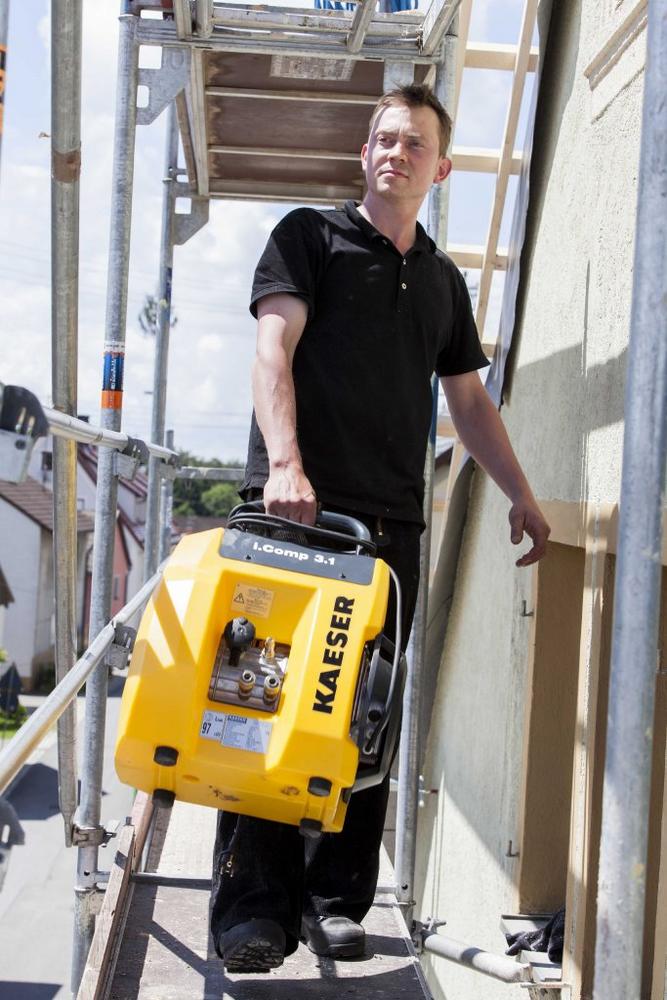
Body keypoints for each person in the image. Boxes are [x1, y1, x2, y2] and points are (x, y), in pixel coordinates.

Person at [210, 83, 550, 974]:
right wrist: (285, 464)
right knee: (259, 702)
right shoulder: (308, 238)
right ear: (364, 154)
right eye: (383, 139)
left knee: (362, 716)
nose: (395, 152)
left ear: (441, 169)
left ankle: (334, 901)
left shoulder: (441, 281)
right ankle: (253, 910)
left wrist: (519, 492)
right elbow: (272, 349)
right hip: (292, 516)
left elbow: (467, 401)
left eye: (413, 143)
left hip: (390, 528)